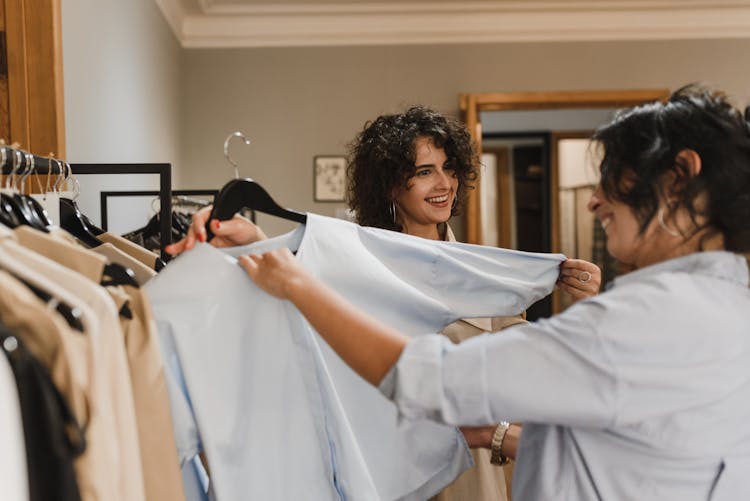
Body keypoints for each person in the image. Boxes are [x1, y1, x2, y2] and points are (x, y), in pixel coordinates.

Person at [237, 85, 750, 500]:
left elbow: (432, 380)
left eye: (613, 179)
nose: (594, 202)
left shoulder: (632, 318)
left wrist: (298, 286)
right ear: (393, 186)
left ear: (679, 178)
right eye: (422, 172)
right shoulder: (727, 306)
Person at [167, 105, 601, 500]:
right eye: (425, 171)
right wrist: (257, 244)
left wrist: (587, 309)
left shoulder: (480, 280)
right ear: (393, 185)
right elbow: (305, 324)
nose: (444, 184)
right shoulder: (353, 264)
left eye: (449, 169)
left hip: (469, 474)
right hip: (379, 469)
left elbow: (538, 377)